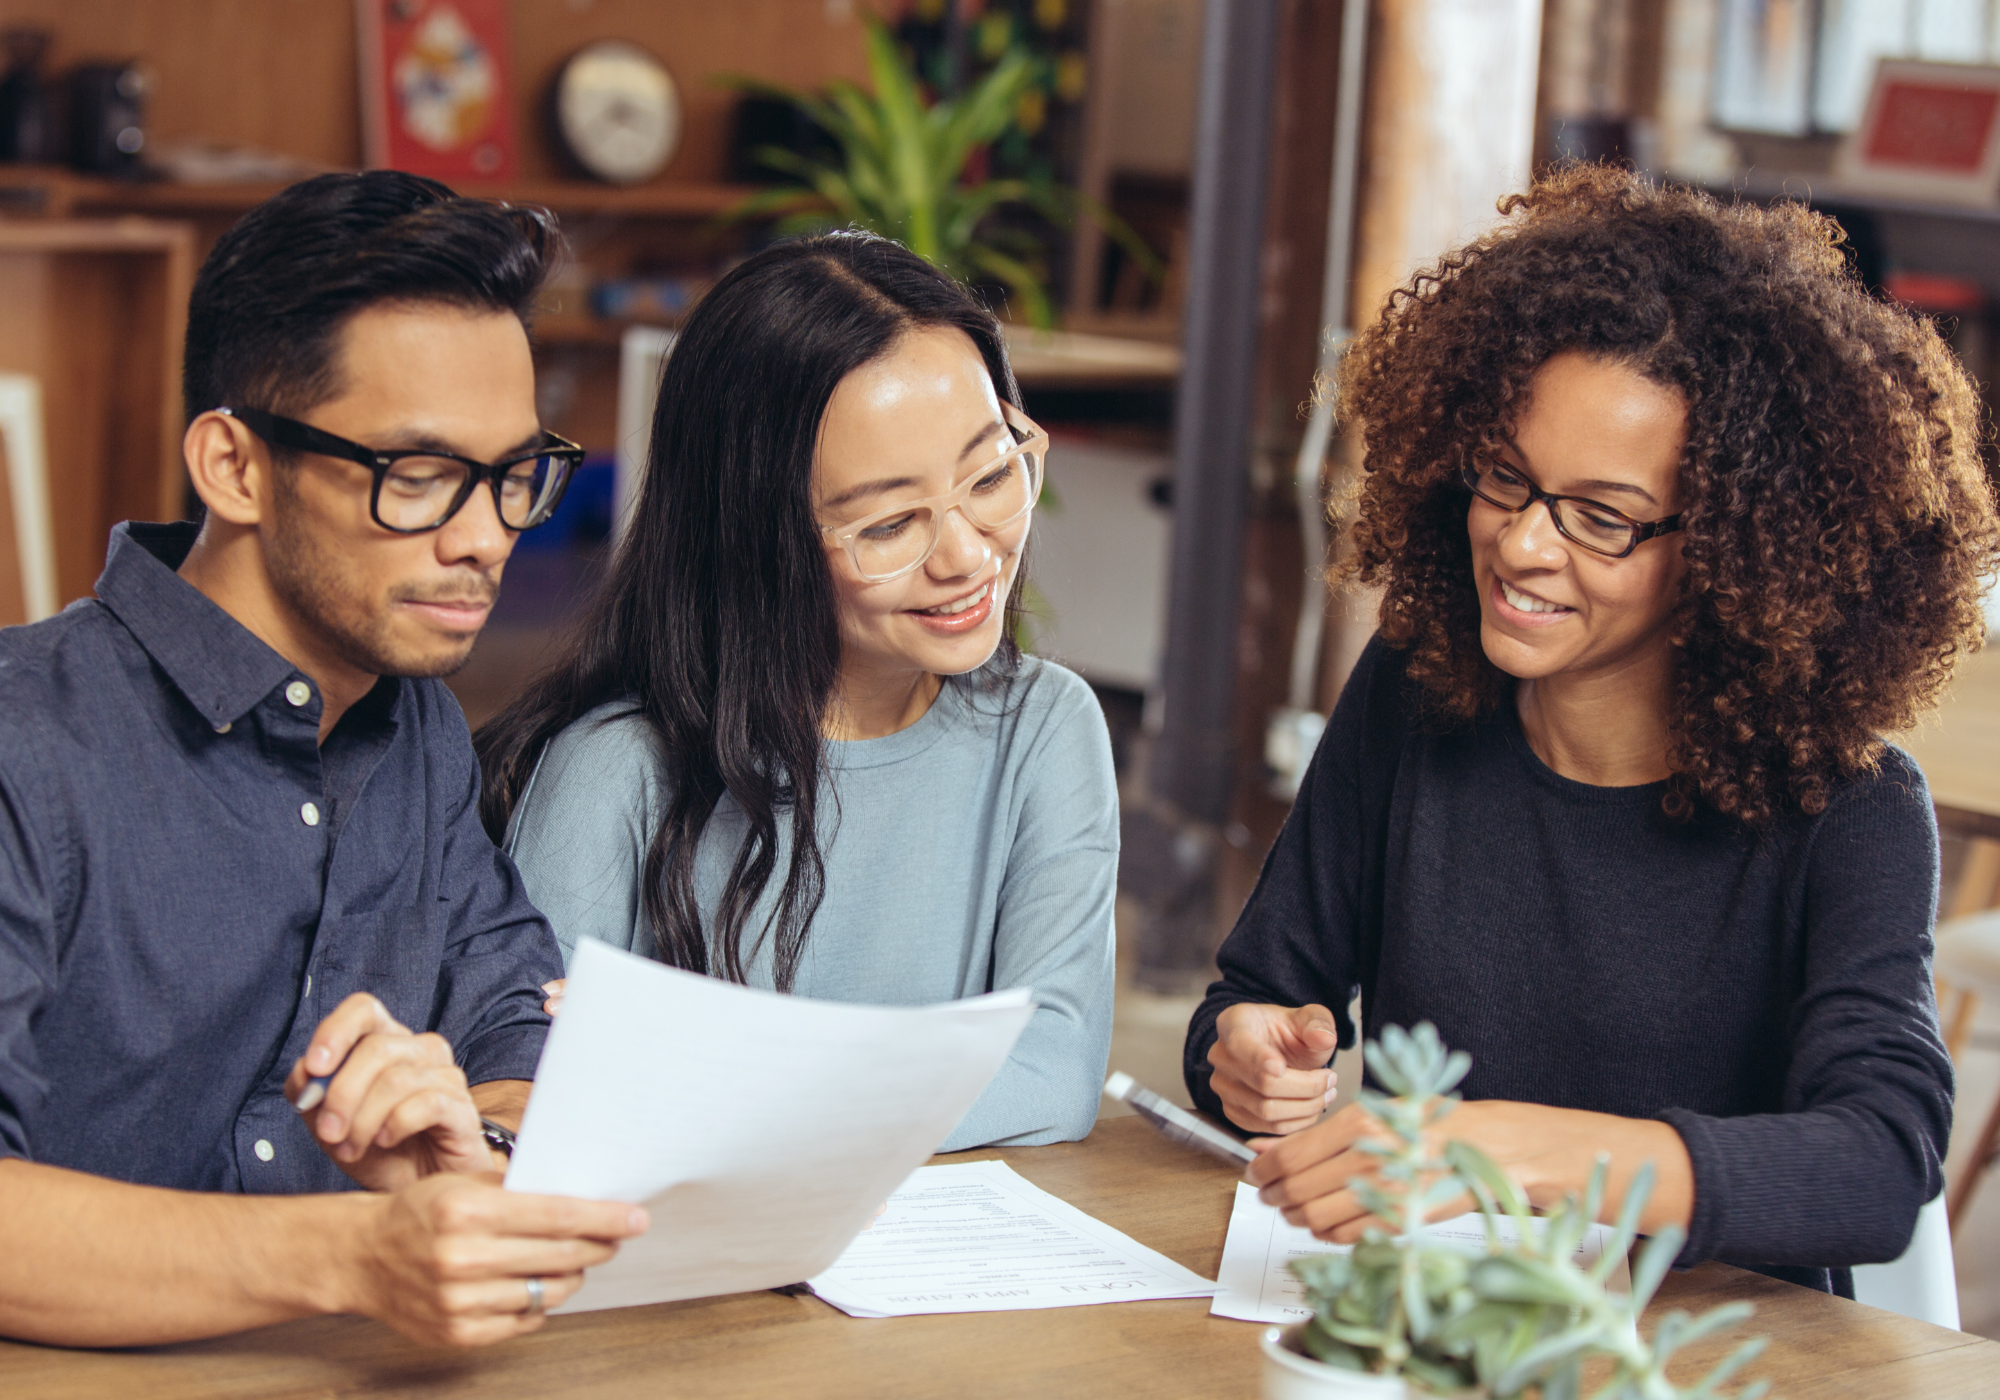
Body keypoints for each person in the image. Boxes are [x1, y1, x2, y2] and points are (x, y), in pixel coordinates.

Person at [1185, 166, 2000, 1296]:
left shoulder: (1845, 805)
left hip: (1721, 1361)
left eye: (1600, 518)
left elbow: (1877, 1161)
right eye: (1505, 480)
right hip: (1444, 1330)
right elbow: (1251, 995)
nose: (1521, 545)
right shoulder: (1415, 692)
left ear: (1727, 550)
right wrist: (1250, 1056)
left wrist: (1503, 1149)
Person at [0, 172, 647, 1350]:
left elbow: (517, 1024)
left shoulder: (419, 730)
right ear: (235, 466)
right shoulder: (23, 742)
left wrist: (477, 1146)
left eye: (513, 477)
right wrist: (356, 1251)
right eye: (418, 475)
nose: (485, 537)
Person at [479, 232, 1116, 1149]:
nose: (970, 555)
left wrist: (716, 1064)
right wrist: (883, 1082)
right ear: (754, 540)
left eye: (991, 475)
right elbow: (536, 1097)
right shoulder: (615, 768)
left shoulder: (1045, 730)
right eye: (891, 523)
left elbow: (1053, 1077)